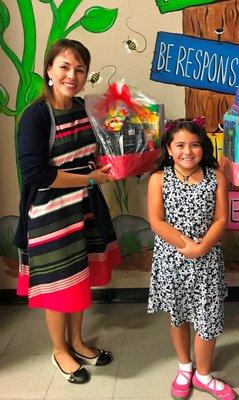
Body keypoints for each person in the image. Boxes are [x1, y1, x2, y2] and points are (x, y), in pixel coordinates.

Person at [14, 39, 122, 383]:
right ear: (49, 71)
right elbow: (36, 174)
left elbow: (97, 151)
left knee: (81, 278)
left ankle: (77, 341)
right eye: (64, 67)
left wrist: (120, 158)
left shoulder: (85, 109)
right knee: (60, 285)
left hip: (85, 210)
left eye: (79, 69)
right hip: (51, 217)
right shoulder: (35, 115)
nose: (71, 75)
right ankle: (60, 350)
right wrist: (88, 178)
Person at [147, 119, 237, 400]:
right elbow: (156, 221)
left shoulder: (216, 176)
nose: (188, 151)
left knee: (208, 318)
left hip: (207, 260)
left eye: (195, 145)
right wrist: (186, 245)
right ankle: (185, 367)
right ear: (169, 149)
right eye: (180, 145)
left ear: (203, 148)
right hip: (171, 260)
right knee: (179, 315)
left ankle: (203, 375)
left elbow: (221, 218)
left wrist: (202, 247)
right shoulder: (159, 178)